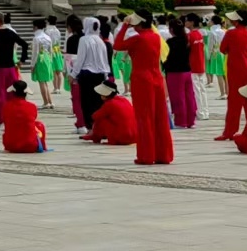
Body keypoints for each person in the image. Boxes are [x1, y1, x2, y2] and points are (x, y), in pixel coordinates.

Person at [112, 10, 173, 166]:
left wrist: (124, 26)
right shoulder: (155, 37)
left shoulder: (137, 39)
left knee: (144, 117)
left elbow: (117, 45)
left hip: (141, 79)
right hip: (157, 78)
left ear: (139, 23)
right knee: (160, 118)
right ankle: (164, 155)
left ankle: (146, 156)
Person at [215, 10, 247, 142]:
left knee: (234, 102)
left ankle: (230, 131)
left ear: (237, 20)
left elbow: (223, 49)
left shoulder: (231, 33)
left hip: (236, 70)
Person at [0, 14, 29, 124]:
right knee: (13, 94)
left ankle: (2, 120)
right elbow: (24, 44)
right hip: (11, 69)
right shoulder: (10, 32)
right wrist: (22, 60)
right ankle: (13, 117)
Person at [72, 17, 111, 132]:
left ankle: (91, 127)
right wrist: (106, 74)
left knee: (87, 102)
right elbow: (104, 59)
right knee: (98, 102)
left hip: (87, 74)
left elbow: (80, 59)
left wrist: (74, 74)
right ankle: (99, 127)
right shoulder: (100, 41)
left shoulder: (84, 40)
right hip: (99, 74)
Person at [2, 79, 47, 153]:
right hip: (30, 146)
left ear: (13, 92)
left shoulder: (6, 106)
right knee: (39, 125)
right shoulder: (32, 106)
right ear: (26, 93)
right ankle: (43, 147)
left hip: (10, 145)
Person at [29, 17, 58, 109]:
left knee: (41, 82)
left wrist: (32, 65)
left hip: (40, 59)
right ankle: (50, 101)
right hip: (47, 58)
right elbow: (51, 51)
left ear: (36, 27)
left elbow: (35, 53)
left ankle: (46, 102)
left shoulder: (36, 38)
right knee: (45, 82)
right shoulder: (47, 37)